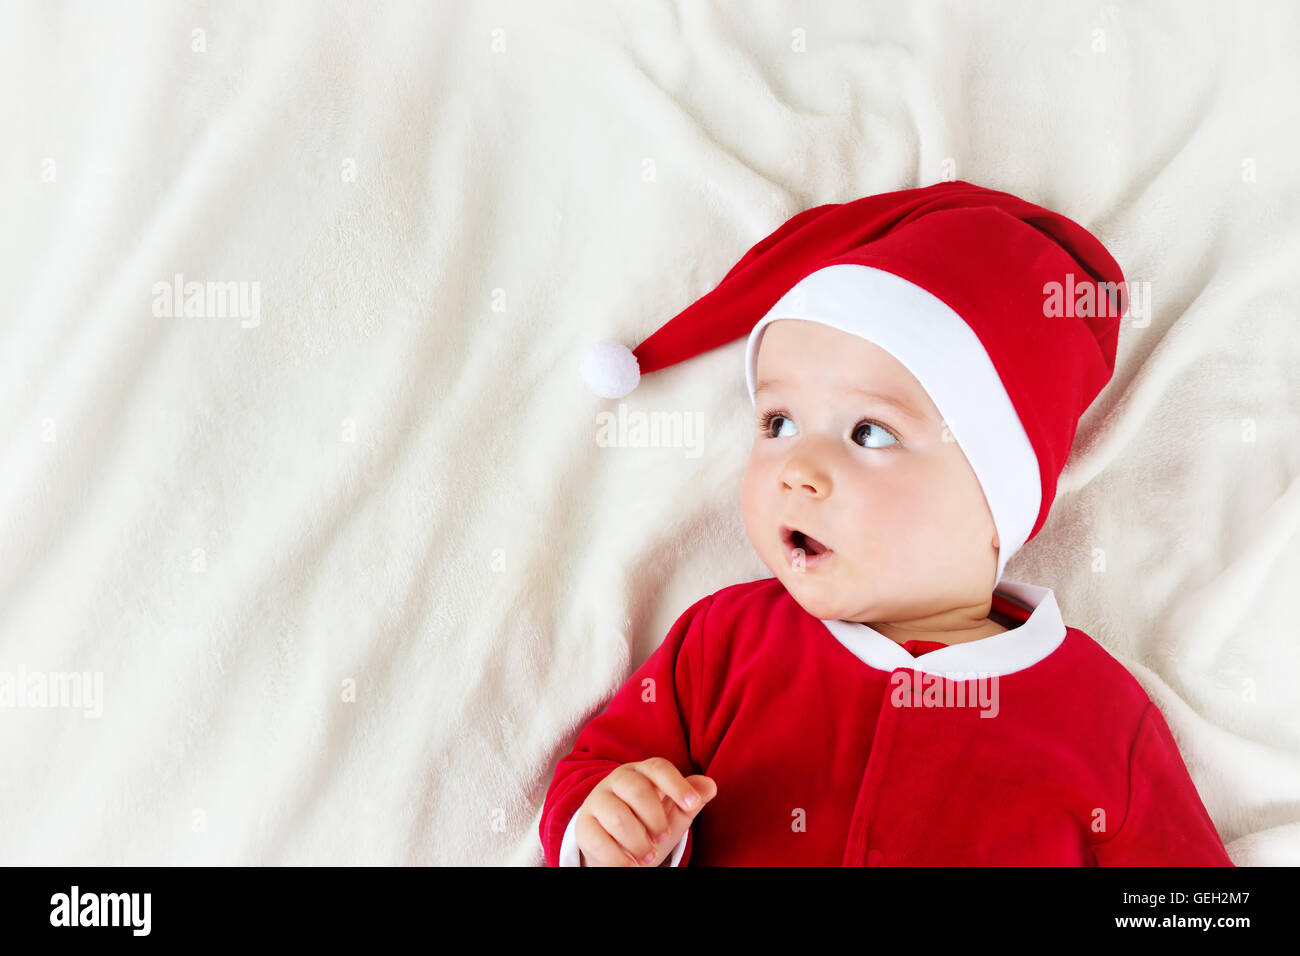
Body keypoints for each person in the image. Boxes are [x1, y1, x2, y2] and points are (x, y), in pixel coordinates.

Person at [543, 180, 1234, 866]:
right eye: (778, 422)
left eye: (870, 433)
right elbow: (597, 769)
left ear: (997, 502)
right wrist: (609, 827)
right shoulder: (722, 644)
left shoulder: (1099, 714)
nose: (798, 469)